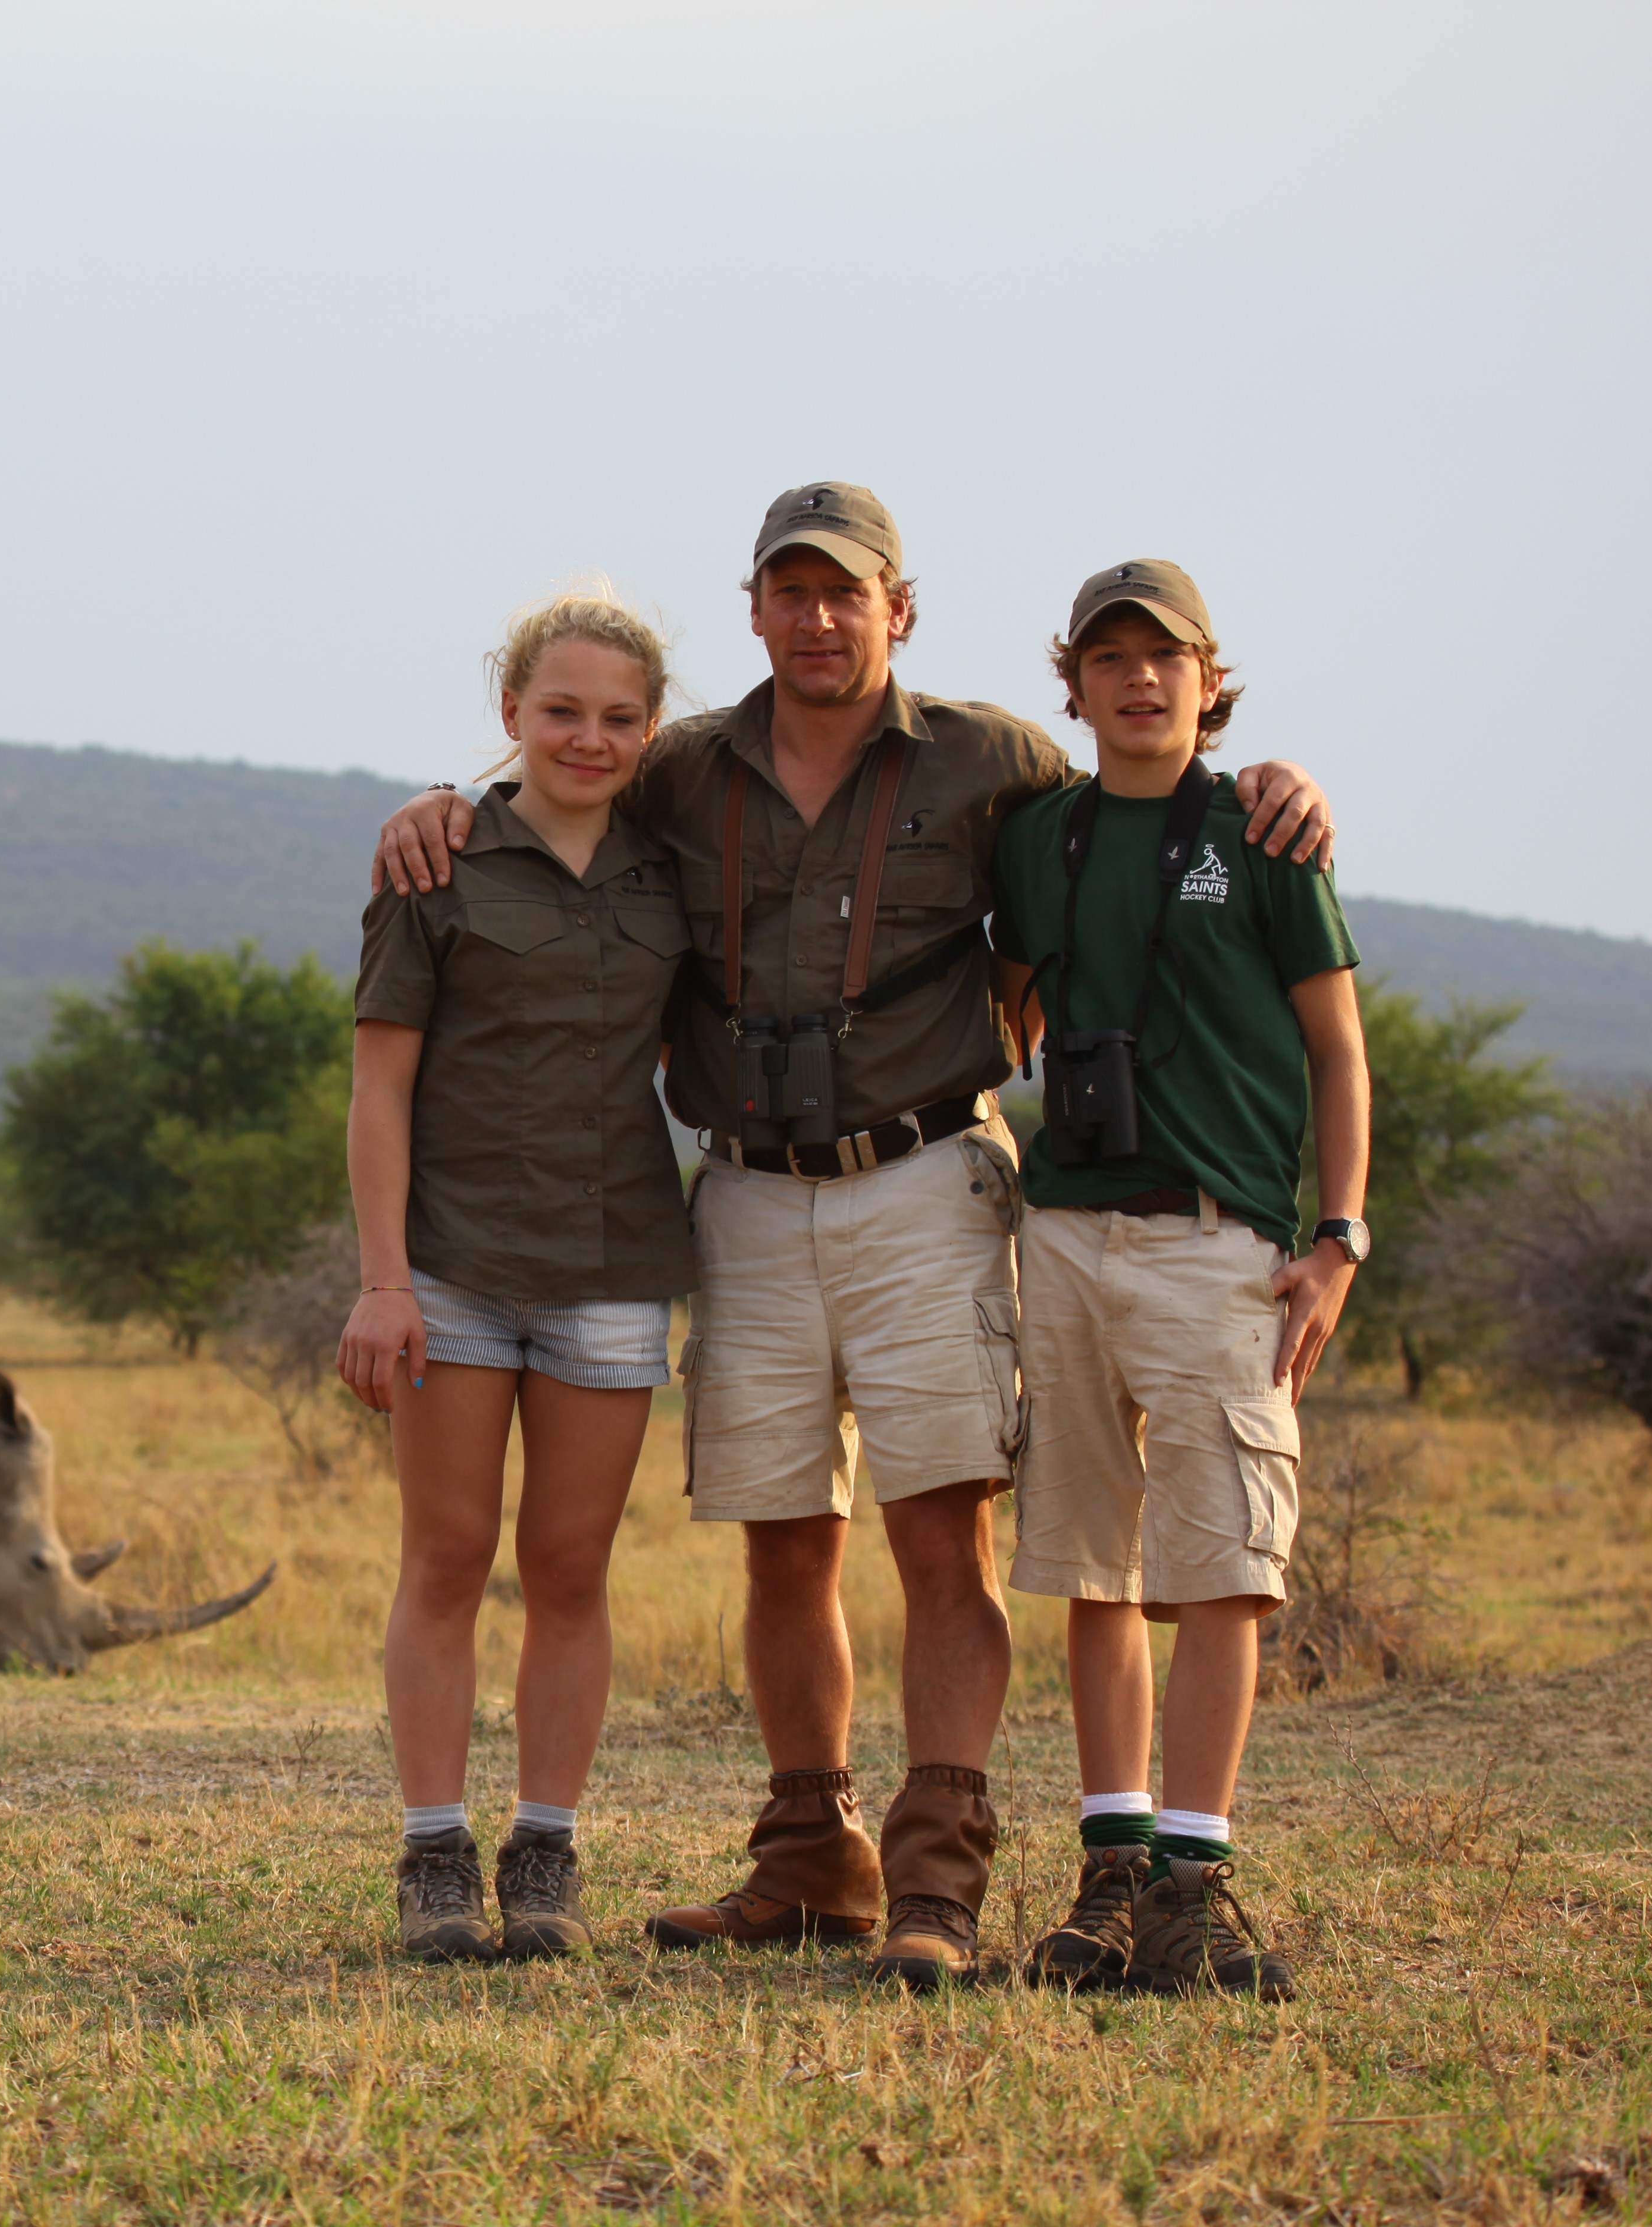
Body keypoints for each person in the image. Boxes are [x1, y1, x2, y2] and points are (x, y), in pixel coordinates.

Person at [372, 485, 1336, 1989]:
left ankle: (939, 1883)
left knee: (939, 1533)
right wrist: (438, 799)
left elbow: (1131, 796)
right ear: (753, 610)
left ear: (903, 609)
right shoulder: (686, 769)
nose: (820, 620)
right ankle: (812, 1857)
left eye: (849, 594)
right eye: (792, 592)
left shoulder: (992, 760)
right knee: (782, 1542)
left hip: (923, 1177)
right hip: (747, 1187)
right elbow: (555, 780)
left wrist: (1274, 782)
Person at [993, 560, 1365, 1999]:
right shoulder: (1039, 838)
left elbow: (1337, 1051)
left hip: (1228, 1241)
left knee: (1224, 1567)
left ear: (1212, 681)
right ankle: (1111, 1872)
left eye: (1169, 658)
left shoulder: (1265, 829)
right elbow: (1009, 993)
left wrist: (1338, 1237)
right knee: (1092, 1563)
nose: (1140, 680)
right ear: (1072, 684)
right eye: (1110, 658)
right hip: (1070, 1230)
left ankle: (1197, 1887)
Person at [338, 589, 694, 1961]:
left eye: (617, 718)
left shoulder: (672, 877)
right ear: (511, 717)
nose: (588, 738)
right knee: (447, 1555)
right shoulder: (435, 867)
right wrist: (385, 1282)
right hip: (455, 1266)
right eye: (561, 711)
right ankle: (436, 1851)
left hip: (612, 1266)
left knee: (569, 1566)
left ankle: (545, 1849)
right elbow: (381, 1090)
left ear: (650, 733)